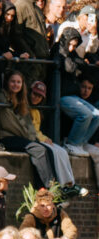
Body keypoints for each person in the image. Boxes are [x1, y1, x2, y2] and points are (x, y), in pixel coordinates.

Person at [0, 69, 56, 187]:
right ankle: (46, 189)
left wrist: (33, 138)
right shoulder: (1, 97)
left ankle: (51, 187)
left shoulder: (21, 100)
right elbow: (10, 124)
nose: (16, 84)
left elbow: (29, 124)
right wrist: (29, 138)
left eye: (19, 82)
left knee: (47, 149)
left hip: (19, 136)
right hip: (5, 137)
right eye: (13, 81)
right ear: (7, 82)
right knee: (38, 150)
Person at [29, 80, 85, 194]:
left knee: (62, 151)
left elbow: (37, 129)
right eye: (35, 94)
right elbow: (30, 130)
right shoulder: (26, 108)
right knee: (53, 152)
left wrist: (44, 137)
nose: (36, 98)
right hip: (33, 139)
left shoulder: (37, 111)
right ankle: (63, 185)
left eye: (39, 96)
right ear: (29, 92)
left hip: (39, 137)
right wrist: (43, 138)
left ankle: (70, 184)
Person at [55, 27, 99, 157]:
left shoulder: (71, 53)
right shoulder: (59, 49)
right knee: (85, 114)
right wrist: (75, 61)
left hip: (73, 95)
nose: (71, 48)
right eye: (69, 45)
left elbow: (82, 65)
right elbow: (69, 67)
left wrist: (77, 61)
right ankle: (72, 143)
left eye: (74, 46)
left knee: (97, 115)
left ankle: (81, 142)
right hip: (62, 95)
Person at [12, 0, 49, 86]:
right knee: (28, 91)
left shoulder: (37, 8)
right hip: (29, 62)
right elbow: (16, 35)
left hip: (42, 61)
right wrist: (30, 54)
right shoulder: (21, 5)